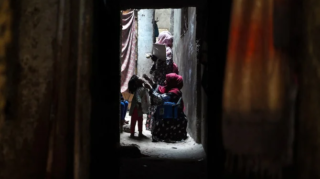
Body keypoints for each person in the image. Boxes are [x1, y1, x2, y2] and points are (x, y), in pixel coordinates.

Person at [146, 31, 179, 131]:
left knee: (158, 100)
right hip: (159, 79)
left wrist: (158, 60)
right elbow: (156, 67)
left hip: (162, 81)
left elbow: (167, 65)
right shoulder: (164, 49)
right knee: (155, 100)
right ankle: (154, 126)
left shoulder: (168, 50)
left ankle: (158, 127)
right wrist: (154, 59)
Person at [144, 73, 188, 142]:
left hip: (172, 119)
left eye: (166, 80)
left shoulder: (174, 93)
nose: (164, 81)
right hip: (171, 115)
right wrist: (150, 81)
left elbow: (159, 99)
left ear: (171, 82)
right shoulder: (171, 88)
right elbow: (160, 88)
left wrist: (150, 88)